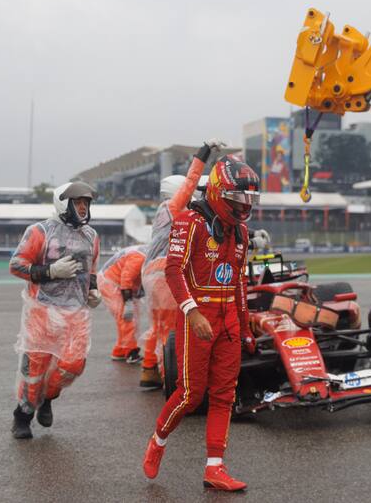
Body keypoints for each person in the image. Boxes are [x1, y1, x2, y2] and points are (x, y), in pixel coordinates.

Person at [143, 155, 260, 491]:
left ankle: (215, 468)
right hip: (198, 317)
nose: (244, 206)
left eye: (249, 199)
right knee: (191, 395)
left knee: (225, 395)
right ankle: (158, 442)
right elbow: (173, 271)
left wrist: (244, 321)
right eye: (239, 198)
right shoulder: (188, 222)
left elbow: (239, 280)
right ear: (220, 192)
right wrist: (192, 312)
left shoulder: (241, 231)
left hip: (228, 322)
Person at [9, 182, 101, 439]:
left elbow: (91, 267)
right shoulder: (39, 231)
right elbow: (16, 265)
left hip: (76, 313)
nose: (83, 208)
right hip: (42, 311)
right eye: (78, 202)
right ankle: (23, 415)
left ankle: (48, 397)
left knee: (74, 365)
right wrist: (49, 272)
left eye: (86, 203)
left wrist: (93, 290)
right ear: (64, 202)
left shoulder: (91, 236)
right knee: (34, 372)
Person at [139, 140, 222, 388]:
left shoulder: (163, 212)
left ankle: (148, 370)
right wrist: (203, 154)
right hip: (164, 274)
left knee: (159, 326)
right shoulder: (173, 207)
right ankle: (174, 381)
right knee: (173, 330)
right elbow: (190, 182)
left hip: (152, 273)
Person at [99, 245, 148, 364]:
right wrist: (128, 302)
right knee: (127, 317)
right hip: (111, 283)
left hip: (115, 282)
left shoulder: (144, 254)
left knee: (128, 317)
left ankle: (120, 350)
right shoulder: (139, 258)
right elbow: (126, 279)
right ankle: (130, 352)